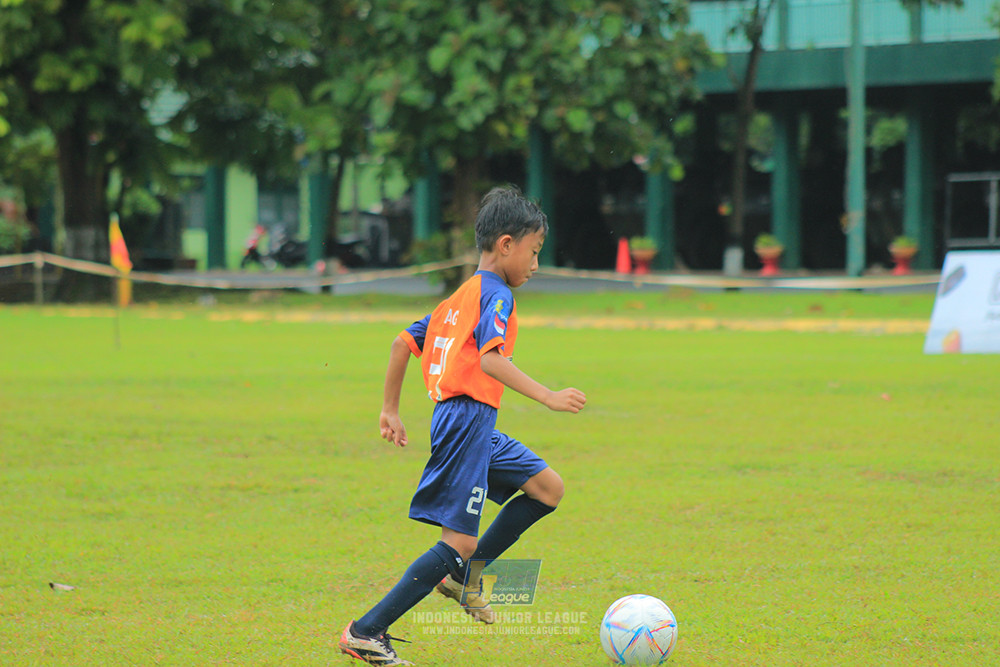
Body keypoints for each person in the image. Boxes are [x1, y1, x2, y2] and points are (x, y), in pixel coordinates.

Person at [338, 186, 587, 666]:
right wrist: (548, 397)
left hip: (468, 420)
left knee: (547, 488)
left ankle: (462, 578)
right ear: (507, 244)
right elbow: (493, 360)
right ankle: (366, 631)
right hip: (466, 420)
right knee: (460, 538)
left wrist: (390, 409)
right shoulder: (494, 296)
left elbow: (399, 343)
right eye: (534, 252)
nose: (535, 264)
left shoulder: (458, 298)